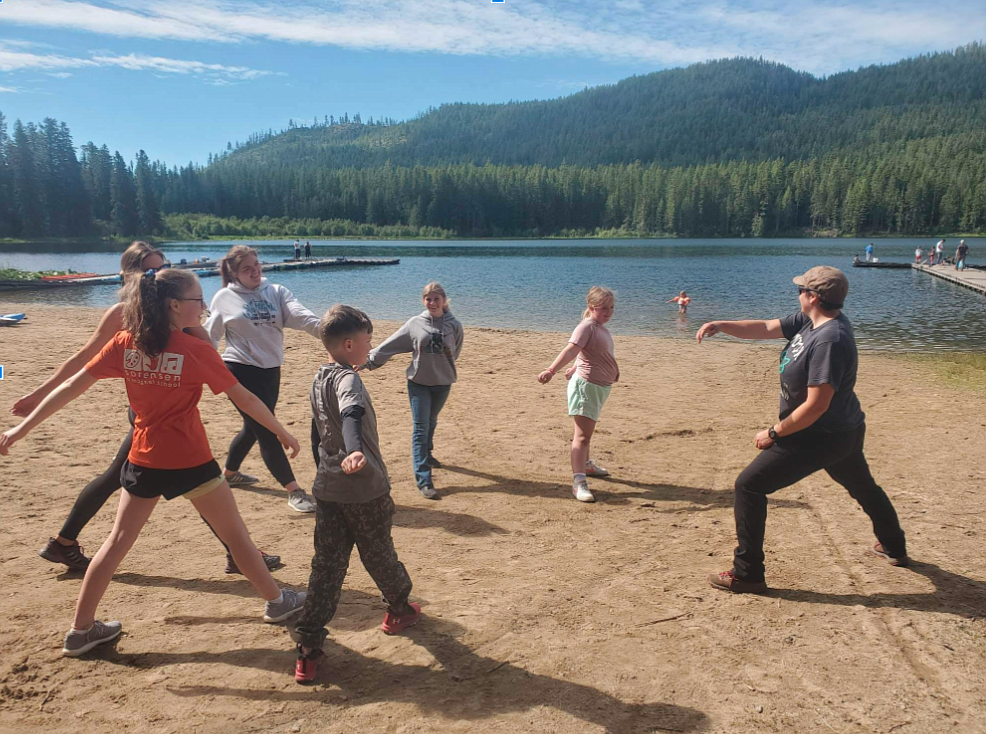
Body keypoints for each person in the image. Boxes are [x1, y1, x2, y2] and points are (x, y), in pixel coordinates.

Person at [0, 268, 306, 656]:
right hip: (190, 460)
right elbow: (244, 398)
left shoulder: (126, 343)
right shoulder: (196, 351)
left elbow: (70, 388)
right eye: (198, 300)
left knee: (115, 544)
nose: (204, 307)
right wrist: (281, 430)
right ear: (175, 305)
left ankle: (80, 631)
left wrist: (21, 430)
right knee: (236, 536)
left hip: (143, 458)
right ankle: (279, 601)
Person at [10, 242, 280, 575]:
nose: (160, 274)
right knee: (188, 478)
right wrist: (38, 395)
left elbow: (206, 350)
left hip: (165, 410)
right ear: (132, 274)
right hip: (146, 413)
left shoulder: (180, 316)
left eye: (162, 268)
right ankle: (239, 554)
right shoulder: (122, 315)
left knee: (168, 480)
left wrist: (193, 321)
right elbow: (83, 362)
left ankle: (64, 543)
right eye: (152, 270)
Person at [695, 266, 909, 594]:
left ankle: (747, 573)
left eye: (801, 290)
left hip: (818, 435)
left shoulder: (830, 339)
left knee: (749, 486)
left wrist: (775, 432)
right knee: (863, 485)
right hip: (843, 429)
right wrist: (722, 325)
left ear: (813, 296)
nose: (797, 294)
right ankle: (893, 545)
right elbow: (766, 327)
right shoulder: (810, 320)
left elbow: (816, 405)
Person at [293, 305, 420, 683]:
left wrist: (326, 464)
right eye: (367, 340)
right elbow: (351, 416)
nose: (370, 346)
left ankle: (308, 647)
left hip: (328, 490)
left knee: (326, 567)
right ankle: (399, 609)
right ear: (349, 344)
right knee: (378, 553)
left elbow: (317, 430)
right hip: (364, 489)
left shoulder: (319, 378)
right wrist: (353, 451)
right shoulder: (349, 380)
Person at [205, 245, 322, 513]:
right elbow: (209, 338)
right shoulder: (224, 297)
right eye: (247, 268)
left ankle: (230, 473)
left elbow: (300, 316)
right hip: (239, 370)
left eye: (256, 264)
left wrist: (329, 332)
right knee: (267, 430)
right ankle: (293, 490)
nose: (255, 271)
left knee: (253, 427)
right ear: (234, 273)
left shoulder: (276, 291)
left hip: (271, 370)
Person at [360, 282, 463, 500]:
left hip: (443, 383)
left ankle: (428, 453)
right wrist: (368, 361)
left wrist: (443, 367)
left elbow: (456, 352)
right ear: (423, 301)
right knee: (420, 427)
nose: (432, 303)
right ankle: (424, 479)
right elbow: (390, 344)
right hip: (419, 383)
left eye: (436, 298)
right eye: (428, 299)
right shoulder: (415, 324)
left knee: (431, 421)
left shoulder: (454, 325)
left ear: (444, 300)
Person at [538, 286, 619, 503]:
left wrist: (576, 366)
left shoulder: (599, 326)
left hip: (599, 387)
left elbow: (589, 352)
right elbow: (572, 349)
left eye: (612, 307)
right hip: (587, 387)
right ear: (592, 308)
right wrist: (551, 370)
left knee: (587, 433)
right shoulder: (586, 327)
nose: (609, 312)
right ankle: (579, 481)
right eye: (604, 308)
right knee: (581, 436)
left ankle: (586, 465)